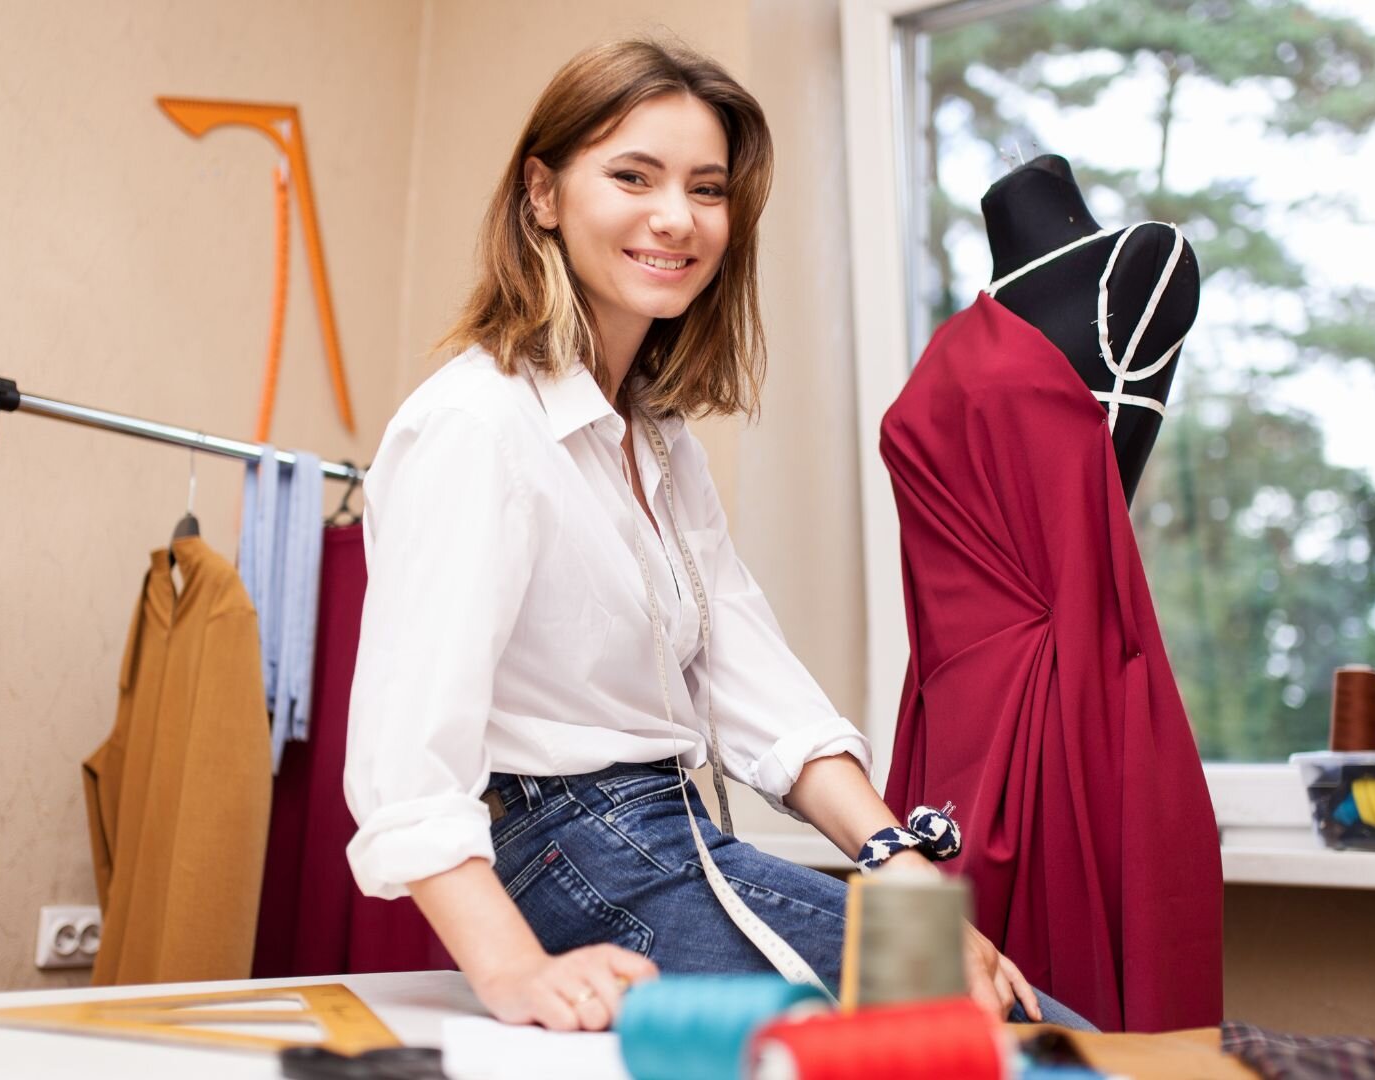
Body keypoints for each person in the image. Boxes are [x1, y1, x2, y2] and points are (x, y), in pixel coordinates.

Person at [342, 37, 1094, 1034]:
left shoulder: (657, 440)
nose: (676, 218)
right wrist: (514, 974)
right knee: (1013, 1047)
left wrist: (896, 865)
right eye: (632, 176)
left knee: (1043, 1028)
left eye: (707, 188)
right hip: (572, 853)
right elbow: (405, 760)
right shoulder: (477, 425)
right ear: (542, 193)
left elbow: (753, 683)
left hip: (668, 834)